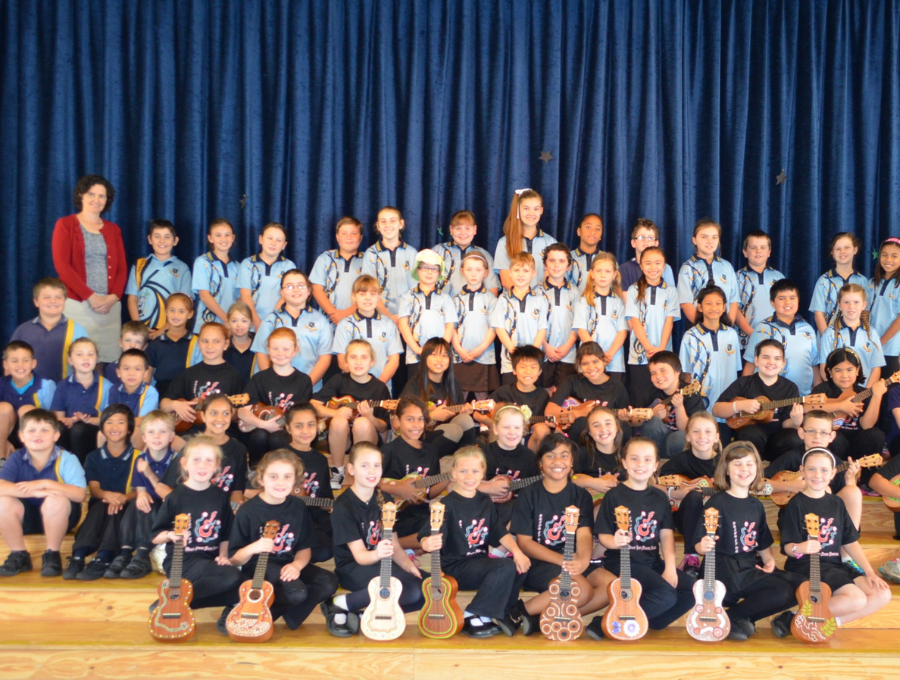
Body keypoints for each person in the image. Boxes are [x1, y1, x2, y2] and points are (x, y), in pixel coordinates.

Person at [773, 447, 890, 636]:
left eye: (824, 470)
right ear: (802, 471)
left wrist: (870, 572)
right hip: (806, 565)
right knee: (856, 600)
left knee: (883, 594)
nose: (817, 475)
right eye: (811, 469)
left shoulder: (836, 503)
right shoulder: (796, 504)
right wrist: (800, 547)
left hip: (834, 566)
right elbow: (787, 548)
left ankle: (810, 620)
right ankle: (796, 618)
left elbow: (850, 542)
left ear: (833, 473)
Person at [690, 441, 798, 641]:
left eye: (749, 464)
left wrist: (769, 561)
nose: (744, 469)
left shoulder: (755, 505)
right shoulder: (717, 502)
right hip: (723, 569)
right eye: (737, 464)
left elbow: (762, 539)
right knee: (783, 589)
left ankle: (735, 618)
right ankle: (736, 619)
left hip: (748, 567)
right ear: (727, 470)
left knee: (793, 588)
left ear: (757, 469)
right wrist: (702, 546)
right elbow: (698, 542)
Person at [510, 434, 614, 638]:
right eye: (550, 456)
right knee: (582, 590)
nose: (558, 461)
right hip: (540, 561)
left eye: (564, 455)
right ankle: (517, 612)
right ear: (540, 463)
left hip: (571, 560)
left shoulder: (580, 495)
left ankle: (548, 619)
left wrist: (584, 560)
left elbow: (584, 534)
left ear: (572, 461)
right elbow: (524, 542)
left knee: (611, 587)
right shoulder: (529, 495)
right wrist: (563, 560)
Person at [419, 446, 530, 637]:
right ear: (453, 473)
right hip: (456, 567)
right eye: (463, 471)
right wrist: (425, 544)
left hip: (479, 565)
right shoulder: (445, 505)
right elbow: (424, 536)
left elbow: (499, 533)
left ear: (482, 474)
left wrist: (518, 552)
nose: (469, 476)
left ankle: (499, 612)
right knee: (504, 567)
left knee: (520, 567)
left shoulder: (485, 502)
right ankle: (472, 614)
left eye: (475, 471)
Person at [320, 442, 424, 637]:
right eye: (364, 465)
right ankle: (339, 603)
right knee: (411, 591)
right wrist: (378, 553)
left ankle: (364, 614)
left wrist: (409, 567)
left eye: (376, 465)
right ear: (350, 469)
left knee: (431, 588)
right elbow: (360, 556)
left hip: (381, 562)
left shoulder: (385, 497)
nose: (372, 470)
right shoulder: (344, 507)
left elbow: (395, 545)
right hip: (354, 567)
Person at [594, 437, 696, 632]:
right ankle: (604, 624)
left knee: (692, 590)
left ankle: (650, 621)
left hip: (651, 561)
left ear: (656, 465)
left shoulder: (659, 497)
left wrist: (670, 568)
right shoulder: (614, 496)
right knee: (665, 594)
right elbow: (604, 536)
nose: (641, 464)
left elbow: (666, 536)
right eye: (634, 459)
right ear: (624, 462)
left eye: (647, 460)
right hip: (623, 561)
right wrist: (615, 542)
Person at [229, 449, 339, 630]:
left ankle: (288, 615)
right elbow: (235, 558)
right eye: (273, 477)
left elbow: (305, 548)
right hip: (258, 567)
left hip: (287, 563)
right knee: (297, 592)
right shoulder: (247, 511)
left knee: (328, 581)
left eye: (287, 477)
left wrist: (297, 565)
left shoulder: (298, 506)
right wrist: (254, 547)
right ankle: (247, 613)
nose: (280, 483)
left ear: (295, 480)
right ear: (261, 479)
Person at [151, 435, 242, 636]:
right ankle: (170, 601)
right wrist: (171, 534)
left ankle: (175, 603)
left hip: (209, 563)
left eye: (209, 460)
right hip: (183, 561)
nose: (203, 465)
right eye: (196, 459)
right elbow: (155, 536)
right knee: (231, 576)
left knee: (242, 588)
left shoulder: (219, 496)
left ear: (217, 466)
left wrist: (224, 556)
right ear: (184, 463)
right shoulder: (175, 497)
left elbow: (226, 533)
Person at [0, 409, 86, 577]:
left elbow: (79, 494)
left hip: (61, 516)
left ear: (56, 435)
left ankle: (52, 554)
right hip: (27, 518)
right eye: (31, 430)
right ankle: (19, 554)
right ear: (21, 436)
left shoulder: (67, 458)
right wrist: (36, 492)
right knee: (2, 502)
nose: (37, 435)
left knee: (55, 499)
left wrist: (46, 485)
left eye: (45, 430)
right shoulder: (17, 457)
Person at [51, 174, 127, 362]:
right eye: (91, 194)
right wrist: (91, 297)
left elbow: (122, 269)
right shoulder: (66, 225)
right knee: (78, 360)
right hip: (78, 304)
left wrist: (114, 297)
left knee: (106, 360)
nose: (96, 200)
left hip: (109, 307)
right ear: (81, 196)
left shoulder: (113, 229)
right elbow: (62, 266)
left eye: (102, 196)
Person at [63, 405, 138, 580]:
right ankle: (78, 555)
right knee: (98, 508)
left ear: (129, 429)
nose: (114, 427)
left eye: (121, 423)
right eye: (109, 422)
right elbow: (95, 490)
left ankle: (104, 557)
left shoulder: (139, 457)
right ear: (102, 427)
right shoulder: (93, 457)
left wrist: (121, 498)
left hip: (126, 507)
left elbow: (138, 491)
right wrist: (108, 496)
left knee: (116, 511)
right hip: (101, 503)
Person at [312, 339, 390, 490]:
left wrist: (369, 416)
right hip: (342, 441)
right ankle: (338, 470)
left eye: (364, 357)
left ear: (372, 362)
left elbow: (383, 428)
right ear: (346, 361)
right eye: (353, 357)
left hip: (369, 438)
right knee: (338, 420)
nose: (358, 362)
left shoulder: (379, 388)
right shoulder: (338, 380)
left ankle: (362, 473)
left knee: (361, 423)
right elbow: (313, 406)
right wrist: (336, 412)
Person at [111, 410, 177, 579]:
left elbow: (171, 496)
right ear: (144, 438)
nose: (156, 436)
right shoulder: (140, 459)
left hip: (169, 508)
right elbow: (140, 488)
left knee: (150, 505)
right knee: (138, 503)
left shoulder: (177, 460)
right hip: (147, 507)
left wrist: (148, 473)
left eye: (162, 431)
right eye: (151, 432)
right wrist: (141, 495)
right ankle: (125, 551)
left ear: (171, 436)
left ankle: (142, 553)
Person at [713, 339, 803, 460]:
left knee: (794, 437)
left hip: (776, 441)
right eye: (766, 357)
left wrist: (796, 422)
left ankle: (776, 471)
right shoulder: (743, 383)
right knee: (750, 433)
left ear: (783, 363)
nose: (771, 362)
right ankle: (754, 468)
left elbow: (787, 423)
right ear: (756, 360)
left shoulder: (790, 388)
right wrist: (740, 406)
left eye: (777, 358)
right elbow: (716, 410)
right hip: (750, 438)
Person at [379, 396, 449, 548]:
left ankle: (406, 547)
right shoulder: (388, 451)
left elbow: (429, 493)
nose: (416, 425)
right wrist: (399, 489)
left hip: (421, 514)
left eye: (420, 419)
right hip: (395, 516)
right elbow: (372, 483)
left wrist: (449, 478)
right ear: (397, 421)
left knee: (447, 524)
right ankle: (397, 546)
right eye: (410, 419)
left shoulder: (431, 451)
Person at [238, 327, 312, 465]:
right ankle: (255, 470)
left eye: (285, 349)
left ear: (295, 351)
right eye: (275, 348)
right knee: (259, 435)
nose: (280, 353)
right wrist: (264, 424)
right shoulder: (259, 378)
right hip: (263, 428)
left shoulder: (303, 380)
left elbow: (304, 414)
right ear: (268, 349)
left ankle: (285, 469)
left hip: (289, 431)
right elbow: (242, 411)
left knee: (277, 438)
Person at [160, 395, 249, 508]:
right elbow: (162, 487)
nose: (220, 419)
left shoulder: (239, 449)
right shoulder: (193, 447)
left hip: (219, 515)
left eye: (226, 413)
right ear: (203, 416)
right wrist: (185, 505)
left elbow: (237, 492)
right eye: (213, 413)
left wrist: (233, 511)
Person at [160, 322, 244, 436]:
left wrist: (228, 412)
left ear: (226, 344)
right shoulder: (189, 373)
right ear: (198, 343)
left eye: (216, 341)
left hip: (219, 434)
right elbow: (164, 404)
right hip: (189, 433)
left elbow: (238, 414)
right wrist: (175, 405)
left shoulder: (233, 376)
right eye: (205, 341)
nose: (210, 346)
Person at [251, 269, 332, 388]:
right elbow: (262, 354)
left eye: (301, 285)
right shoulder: (270, 320)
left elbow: (325, 358)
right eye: (289, 286)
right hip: (274, 388)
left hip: (309, 388)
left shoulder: (321, 321)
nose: (295, 290)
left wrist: (306, 385)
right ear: (282, 292)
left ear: (309, 290)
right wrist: (273, 383)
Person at [743, 279, 820, 396]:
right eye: (781, 298)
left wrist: (819, 391)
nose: (787, 302)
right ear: (772, 302)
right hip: (766, 400)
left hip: (801, 398)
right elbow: (750, 364)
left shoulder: (808, 329)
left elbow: (813, 365)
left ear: (798, 300)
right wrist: (744, 395)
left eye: (792, 298)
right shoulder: (761, 328)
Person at [624, 246, 680, 407]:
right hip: (640, 355)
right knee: (640, 399)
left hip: (664, 353)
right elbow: (635, 322)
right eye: (648, 263)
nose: (653, 267)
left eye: (657, 263)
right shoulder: (634, 289)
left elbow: (669, 322)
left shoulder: (671, 291)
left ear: (664, 266)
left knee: (663, 401)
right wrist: (648, 348)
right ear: (641, 266)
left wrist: (661, 349)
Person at [399, 338, 475, 455]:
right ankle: (426, 461)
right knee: (453, 430)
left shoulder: (453, 384)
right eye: (434, 355)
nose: (439, 359)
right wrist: (432, 416)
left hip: (449, 436)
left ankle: (469, 460)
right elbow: (402, 418)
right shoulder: (414, 384)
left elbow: (459, 414)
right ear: (425, 358)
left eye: (444, 355)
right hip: (423, 436)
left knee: (465, 419)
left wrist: (465, 411)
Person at [810, 348, 887, 462]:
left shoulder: (864, 393)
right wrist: (841, 406)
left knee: (876, 435)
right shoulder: (822, 390)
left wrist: (877, 396)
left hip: (856, 443)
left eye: (850, 370)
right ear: (830, 372)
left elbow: (867, 425)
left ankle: (867, 478)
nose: (844, 375)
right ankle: (834, 478)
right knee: (835, 437)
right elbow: (809, 409)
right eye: (838, 370)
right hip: (833, 444)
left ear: (857, 370)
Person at [332, 275, 403, 392]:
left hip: (382, 388)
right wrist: (363, 385)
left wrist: (378, 385)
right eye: (362, 294)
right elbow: (342, 362)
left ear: (379, 297)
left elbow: (394, 361)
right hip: (352, 389)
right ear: (354, 297)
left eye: (372, 294)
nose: (367, 298)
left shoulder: (389, 324)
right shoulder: (344, 325)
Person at [10, 277, 88, 382]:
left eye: (58, 297)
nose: (53, 301)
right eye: (46, 297)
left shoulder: (78, 331)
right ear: (36, 302)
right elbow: (10, 364)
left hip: (65, 392)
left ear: (65, 300)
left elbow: (87, 366)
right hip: (30, 393)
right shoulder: (23, 331)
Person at [283, 403, 334, 563]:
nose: (305, 431)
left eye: (311, 425)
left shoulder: (320, 460)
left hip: (315, 516)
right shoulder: (280, 456)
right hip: (287, 517)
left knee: (340, 539)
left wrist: (333, 506)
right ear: (288, 428)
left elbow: (326, 498)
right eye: (298, 426)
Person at [125, 219, 192, 339]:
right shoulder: (139, 265)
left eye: (167, 237)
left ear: (175, 241)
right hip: (142, 332)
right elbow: (132, 298)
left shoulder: (182, 268)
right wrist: (140, 327)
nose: (162, 241)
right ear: (149, 239)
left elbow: (185, 304)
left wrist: (161, 330)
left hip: (171, 332)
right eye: (157, 236)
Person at [679, 286, 742, 412]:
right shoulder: (690, 336)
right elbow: (686, 375)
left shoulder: (731, 334)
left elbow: (736, 369)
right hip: (700, 403)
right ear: (700, 307)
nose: (714, 308)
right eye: (708, 304)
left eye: (718, 304)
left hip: (728, 405)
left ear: (724, 307)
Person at [51, 338, 111, 463]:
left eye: (90, 354)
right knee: (59, 429)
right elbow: (58, 417)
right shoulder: (63, 386)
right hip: (69, 430)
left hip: (94, 431)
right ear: (70, 360)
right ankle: (60, 466)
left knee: (79, 430)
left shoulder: (107, 386)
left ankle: (82, 470)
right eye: (79, 354)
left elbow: (110, 420)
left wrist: (86, 420)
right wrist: (69, 420)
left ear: (97, 358)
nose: (86, 358)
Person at [491, 252, 549, 382]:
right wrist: (515, 352)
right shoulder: (503, 299)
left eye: (525, 270)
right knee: (510, 399)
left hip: (534, 360)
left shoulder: (540, 299)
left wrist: (532, 352)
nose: (521, 274)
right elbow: (500, 328)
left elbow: (542, 329)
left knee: (533, 398)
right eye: (516, 270)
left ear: (533, 273)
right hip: (510, 361)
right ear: (509, 272)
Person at [477, 405, 540, 525]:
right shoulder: (484, 454)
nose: (512, 432)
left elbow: (536, 489)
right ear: (495, 429)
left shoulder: (529, 457)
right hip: (487, 508)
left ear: (523, 430)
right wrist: (488, 487)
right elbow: (464, 482)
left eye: (517, 427)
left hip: (517, 511)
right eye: (506, 427)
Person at [483, 346, 552, 453]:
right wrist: (499, 423)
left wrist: (550, 424)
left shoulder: (543, 395)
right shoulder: (503, 391)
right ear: (514, 370)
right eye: (523, 367)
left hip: (530, 441)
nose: (528, 371)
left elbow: (543, 423)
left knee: (543, 429)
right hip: (505, 437)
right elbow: (478, 414)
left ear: (540, 371)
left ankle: (535, 465)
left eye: (533, 367)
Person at [638, 351, 705, 459]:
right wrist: (652, 413)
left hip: (676, 443)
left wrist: (679, 407)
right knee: (653, 422)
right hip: (654, 443)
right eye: (653, 373)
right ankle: (650, 461)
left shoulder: (690, 393)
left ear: (677, 371)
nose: (658, 376)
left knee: (682, 437)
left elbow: (689, 430)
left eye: (663, 370)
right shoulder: (651, 391)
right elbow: (637, 418)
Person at [573, 252, 628, 382]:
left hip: (613, 360)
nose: (603, 275)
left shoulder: (619, 302)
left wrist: (609, 355)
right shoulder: (584, 300)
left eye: (607, 271)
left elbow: (622, 331)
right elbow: (581, 329)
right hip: (590, 361)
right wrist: (597, 356)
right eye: (599, 271)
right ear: (592, 273)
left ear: (614, 275)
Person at [451, 251, 499, 401]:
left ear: (485, 272)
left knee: (482, 393)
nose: (473, 274)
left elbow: (494, 327)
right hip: (461, 354)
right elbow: (451, 327)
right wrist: (459, 349)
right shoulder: (455, 299)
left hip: (483, 354)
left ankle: (484, 423)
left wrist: (480, 349)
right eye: (469, 269)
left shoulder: (491, 299)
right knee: (460, 394)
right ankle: (460, 422)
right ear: (462, 271)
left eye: (478, 270)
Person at [397, 250, 457, 366]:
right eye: (425, 268)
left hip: (440, 356)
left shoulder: (446, 299)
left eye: (434, 269)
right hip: (415, 356)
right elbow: (403, 325)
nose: (429, 272)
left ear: (439, 273)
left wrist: (441, 349)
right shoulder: (407, 297)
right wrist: (416, 349)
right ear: (417, 271)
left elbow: (450, 325)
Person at [819, 284, 885, 388]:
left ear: (864, 305)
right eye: (846, 302)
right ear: (839, 305)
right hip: (838, 395)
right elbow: (824, 367)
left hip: (864, 393)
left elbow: (876, 368)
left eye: (856, 302)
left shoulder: (872, 334)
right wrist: (839, 392)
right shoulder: (829, 333)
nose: (851, 306)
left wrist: (865, 394)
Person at [0, 341, 57, 459]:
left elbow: (53, 419)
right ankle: (1, 459)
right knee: (3, 409)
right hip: (5, 435)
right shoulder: (1, 384)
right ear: (5, 365)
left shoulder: (46, 385)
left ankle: (33, 460)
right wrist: (4, 440)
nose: (20, 365)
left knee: (27, 411)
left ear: (33, 363)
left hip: (36, 436)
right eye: (14, 361)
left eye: (25, 360)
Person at [677, 219, 739, 325]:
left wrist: (728, 326)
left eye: (714, 237)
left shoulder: (727, 266)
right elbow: (685, 302)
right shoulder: (687, 268)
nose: (710, 241)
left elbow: (734, 300)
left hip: (724, 327)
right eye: (704, 237)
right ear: (694, 240)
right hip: (698, 328)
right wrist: (702, 327)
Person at [362, 206, 418, 321]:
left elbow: (416, 288)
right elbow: (370, 289)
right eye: (383, 221)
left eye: (393, 221)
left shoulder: (412, 253)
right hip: (379, 317)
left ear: (401, 224)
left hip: (408, 317)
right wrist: (389, 317)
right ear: (378, 226)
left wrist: (402, 317)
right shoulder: (371, 254)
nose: (388, 225)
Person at [238, 222, 297, 331]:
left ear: (284, 245)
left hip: (279, 324)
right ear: (260, 239)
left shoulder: (289, 266)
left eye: (279, 240)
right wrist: (256, 321)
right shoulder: (247, 264)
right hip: (251, 325)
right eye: (270, 238)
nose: (273, 243)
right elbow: (245, 295)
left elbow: (287, 296)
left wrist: (271, 321)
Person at [493, 189, 556, 289]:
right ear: (517, 210)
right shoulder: (504, 242)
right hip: (513, 302)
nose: (531, 213)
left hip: (541, 301)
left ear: (541, 211)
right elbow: (506, 281)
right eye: (526, 208)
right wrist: (525, 300)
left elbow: (551, 278)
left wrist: (536, 300)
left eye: (536, 209)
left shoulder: (551, 243)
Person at [310, 216, 366, 326]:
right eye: (344, 233)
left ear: (361, 237)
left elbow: (371, 293)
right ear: (337, 237)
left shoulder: (368, 260)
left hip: (359, 321)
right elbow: (316, 289)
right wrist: (333, 314)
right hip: (329, 321)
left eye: (354, 233)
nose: (349, 237)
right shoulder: (325, 258)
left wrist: (344, 314)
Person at [539, 244, 580, 389]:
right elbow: (535, 324)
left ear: (569, 266)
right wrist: (546, 346)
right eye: (552, 260)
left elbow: (578, 323)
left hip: (567, 353)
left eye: (562, 261)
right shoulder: (536, 292)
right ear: (545, 264)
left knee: (563, 397)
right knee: (542, 395)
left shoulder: (575, 293)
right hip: (543, 352)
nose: (556, 265)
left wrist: (568, 346)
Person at [810, 232, 868, 334]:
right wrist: (828, 339)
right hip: (830, 342)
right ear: (832, 252)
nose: (842, 251)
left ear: (855, 250)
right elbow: (818, 314)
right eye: (838, 249)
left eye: (847, 247)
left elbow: (866, 312)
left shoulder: (862, 281)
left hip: (855, 340)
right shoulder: (823, 281)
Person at [735, 231, 785, 349]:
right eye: (753, 247)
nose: (758, 251)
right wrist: (752, 333)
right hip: (745, 340)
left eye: (763, 247)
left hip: (774, 340)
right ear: (745, 252)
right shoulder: (736, 277)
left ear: (769, 252)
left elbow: (785, 308)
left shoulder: (778, 277)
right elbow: (733, 310)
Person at [433, 210, 500, 297]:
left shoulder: (484, 255)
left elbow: (492, 288)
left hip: (475, 308)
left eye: (467, 228)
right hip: (441, 307)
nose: (463, 233)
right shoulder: (437, 251)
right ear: (451, 229)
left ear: (475, 230)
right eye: (458, 228)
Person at [145, 293, 198, 399]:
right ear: (165, 311)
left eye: (181, 311)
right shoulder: (156, 344)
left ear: (190, 314)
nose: (175, 315)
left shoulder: (197, 342)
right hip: (161, 394)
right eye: (172, 310)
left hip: (188, 393)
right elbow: (147, 377)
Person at [192, 218, 240, 331]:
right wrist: (225, 318)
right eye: (218, 235)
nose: (223, 239)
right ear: (210, 238)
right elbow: (204, 295)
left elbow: (239, 297)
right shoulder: (202, 262)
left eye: (227, 235)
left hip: (231, 327)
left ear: (233, 238)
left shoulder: (237, 266)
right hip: (207, 325)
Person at [868, 237, 900, 377]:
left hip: (891, 349)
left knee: (890, 391)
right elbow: (865, 313)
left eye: (895, 256)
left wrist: (881, 342)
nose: (888, 260)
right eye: (884, 255)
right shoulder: (872, 283)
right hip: (870, 347)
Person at [618, 218, 677, 293]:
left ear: (656, 243)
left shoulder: (665, 268)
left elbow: (670, 296)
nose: (646, 241)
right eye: (641, 237)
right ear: (633, 243)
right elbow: (625, 299)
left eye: (650, 238)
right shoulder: (625, 269)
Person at [103, 322, 151, 387]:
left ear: (144, 346)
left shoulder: (146, 368)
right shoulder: (112, 368)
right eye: (128, 340)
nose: (132, 345)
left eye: (138, 342)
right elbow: (111, 393)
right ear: (120, 342)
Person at [567, 213, 605, 293]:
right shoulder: (567, 258)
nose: (593, 232)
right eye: (588, 227)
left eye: (598, 229)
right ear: (579, 231)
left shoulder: (608, 260)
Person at [223, 302, 256, 384]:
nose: (239, 325)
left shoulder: (257, 344)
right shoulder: (223, 346)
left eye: (244, 321)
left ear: (251, 323)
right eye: (234, 321)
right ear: (227, 323)